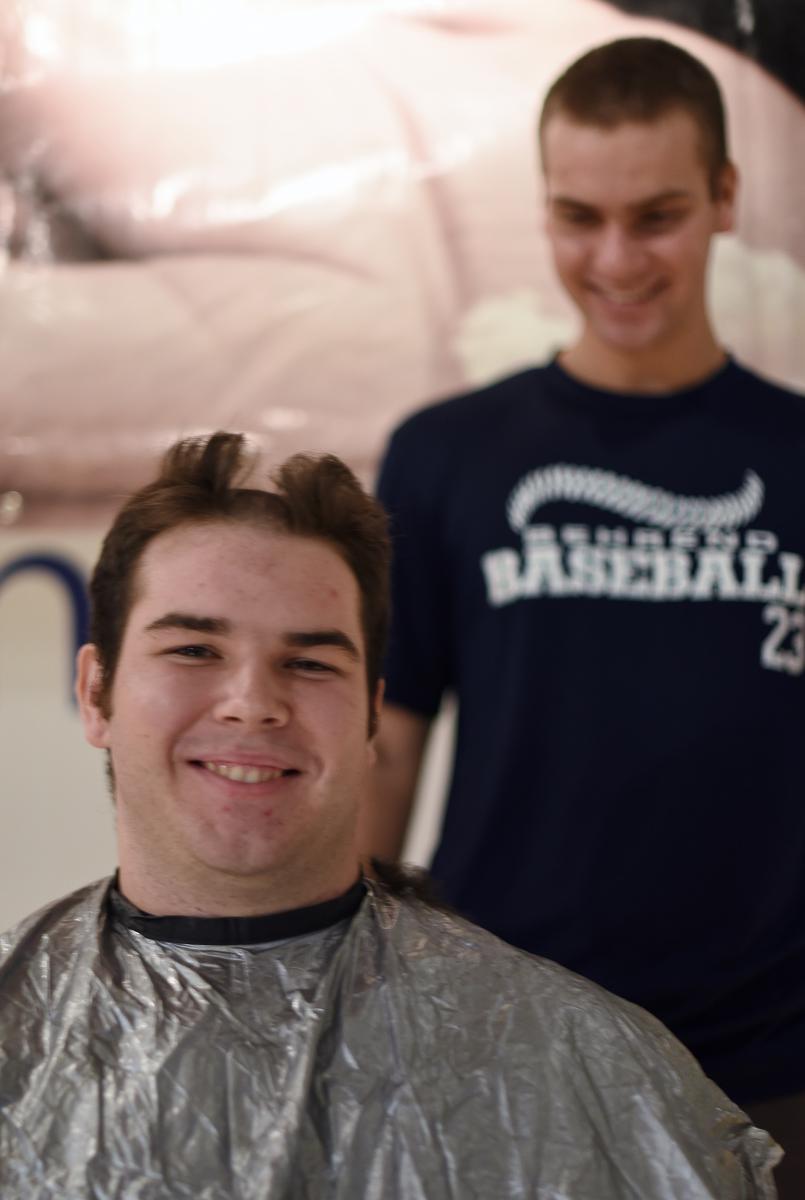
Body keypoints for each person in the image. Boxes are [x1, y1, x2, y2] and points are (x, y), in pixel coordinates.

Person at [0, 432, 779, 1197]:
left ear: (371, 717)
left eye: (308, 663)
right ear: (94, 691)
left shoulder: (586, 1063)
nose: (253, 705)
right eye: (194, 651)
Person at [367, 36, 805, 1199]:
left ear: (723, 197)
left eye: (655, 215)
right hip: (503, 1044)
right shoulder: (444, 456)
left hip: (770, 1060)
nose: (613, 259)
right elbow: (386, 741)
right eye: (577, 217)